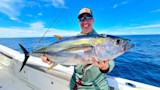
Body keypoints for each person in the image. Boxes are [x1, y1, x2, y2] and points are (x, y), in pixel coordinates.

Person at [41, 8, 115, 90]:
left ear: (93, 21)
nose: (85, 21)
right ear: (79, 22)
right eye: (81, 18)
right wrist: (52, 59)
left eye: (88, 18)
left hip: (98, 86)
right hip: (76, 85)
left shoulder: (102, 39)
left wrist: (105, 68)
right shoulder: (72, 40)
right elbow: (67, 63)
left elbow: (111, 61)